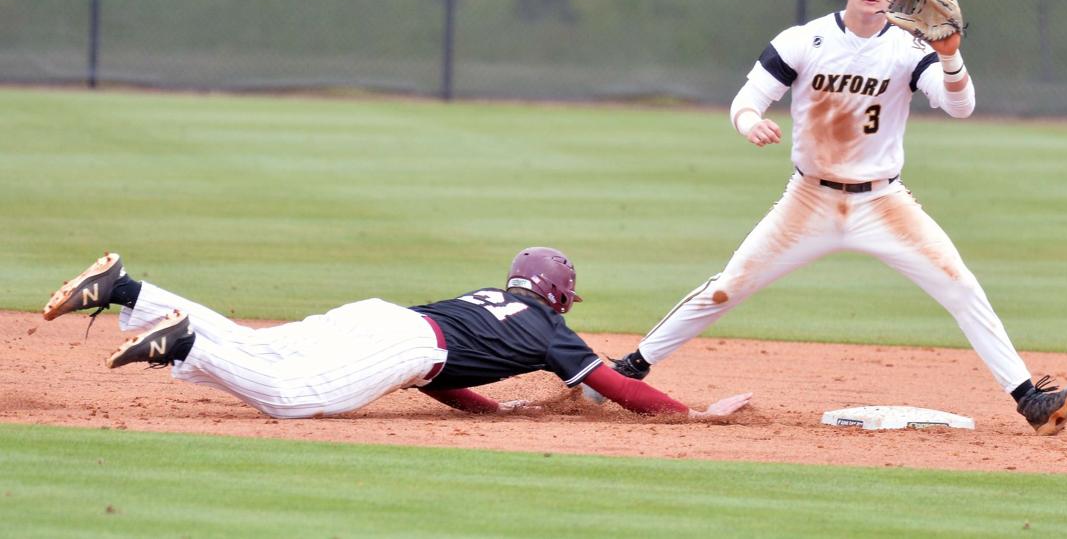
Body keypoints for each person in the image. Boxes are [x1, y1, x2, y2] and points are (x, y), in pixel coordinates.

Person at [600, 0, 1067, 436]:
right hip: (809, 200)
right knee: (727, 288)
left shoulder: (909, 48)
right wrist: (750, 124)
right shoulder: (802, 40)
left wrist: (951, 56)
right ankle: (627, 370)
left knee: (961, 287)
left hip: (883, 202)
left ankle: (1029, 399)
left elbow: (959, 105)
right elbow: (746, 101)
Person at [42, 249, 751, 420]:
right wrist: (690, 416)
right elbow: (617, 384)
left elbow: (444, 379)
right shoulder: (547, 331)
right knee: (292, 398)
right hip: (408, 344)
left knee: (259, 347)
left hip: (386, 317)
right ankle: (185, 340)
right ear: (561, 297)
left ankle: (130, 290)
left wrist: (493, 410)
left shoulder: (488, 301)